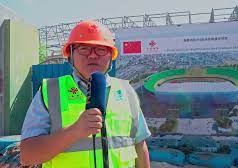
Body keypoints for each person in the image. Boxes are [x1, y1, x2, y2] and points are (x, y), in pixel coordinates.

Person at [20, 20, 151, 168]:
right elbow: (28, 156)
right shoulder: (50, 91)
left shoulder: (127, 91)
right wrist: (74, 131)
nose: (93, 56)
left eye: (101, 49)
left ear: (111, 56)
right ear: (70, 55)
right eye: (84, 48)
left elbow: (140, 146)